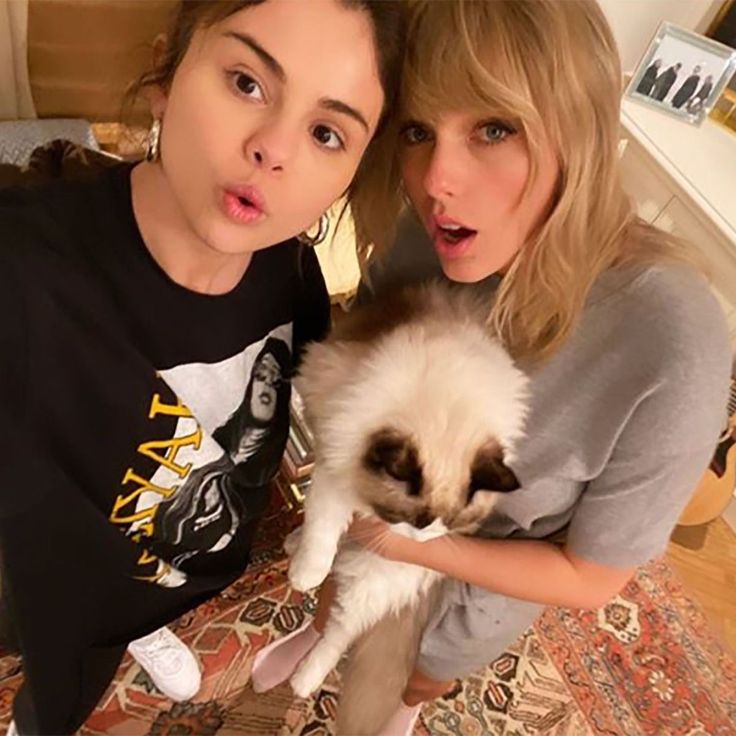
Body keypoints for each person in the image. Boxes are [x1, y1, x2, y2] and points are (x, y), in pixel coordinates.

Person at [250, 2, 731, 734]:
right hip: (376, 515)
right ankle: (324, 636)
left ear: (581, 125)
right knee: (337, 604)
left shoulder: (674, 339)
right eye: (417, 130)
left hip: (486, 588)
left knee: (420, 672)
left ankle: (407, 706)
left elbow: (594, 576)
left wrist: (423, 545)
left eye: (495, 128)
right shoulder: (426, 236)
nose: (436, 180)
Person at [0, 0, 406, 732]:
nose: (273, 150)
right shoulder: (23, 270)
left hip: (177, 560)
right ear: (166, 74)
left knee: (136, 603)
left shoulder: (294, 272)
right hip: (55, 590)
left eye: (325, 133)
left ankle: (144, 617)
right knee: (57, 695)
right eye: (247, 83)